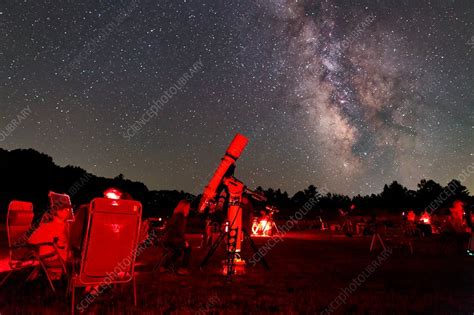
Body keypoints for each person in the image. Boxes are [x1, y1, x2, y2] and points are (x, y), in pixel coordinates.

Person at [28, 192, 71, 280]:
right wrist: (48, 241)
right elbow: (31, 240)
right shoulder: (50, 226)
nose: (67, 211)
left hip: (58, 256)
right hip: (52, 258)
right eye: (64, 209)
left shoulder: (63, 225)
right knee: (83, 258)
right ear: (56, 211)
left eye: (68, 209)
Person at [160, 200, 192, 275]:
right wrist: (185, 241)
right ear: (184, 207)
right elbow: (180, 232)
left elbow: (168, 228)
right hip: (173, 240)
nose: (189, 209)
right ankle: (183, 269)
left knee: (178, 252)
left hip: (167, 240)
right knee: (188, 249)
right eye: (188, 207)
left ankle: (164, 267)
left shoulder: (175, 215)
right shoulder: (181, 217)